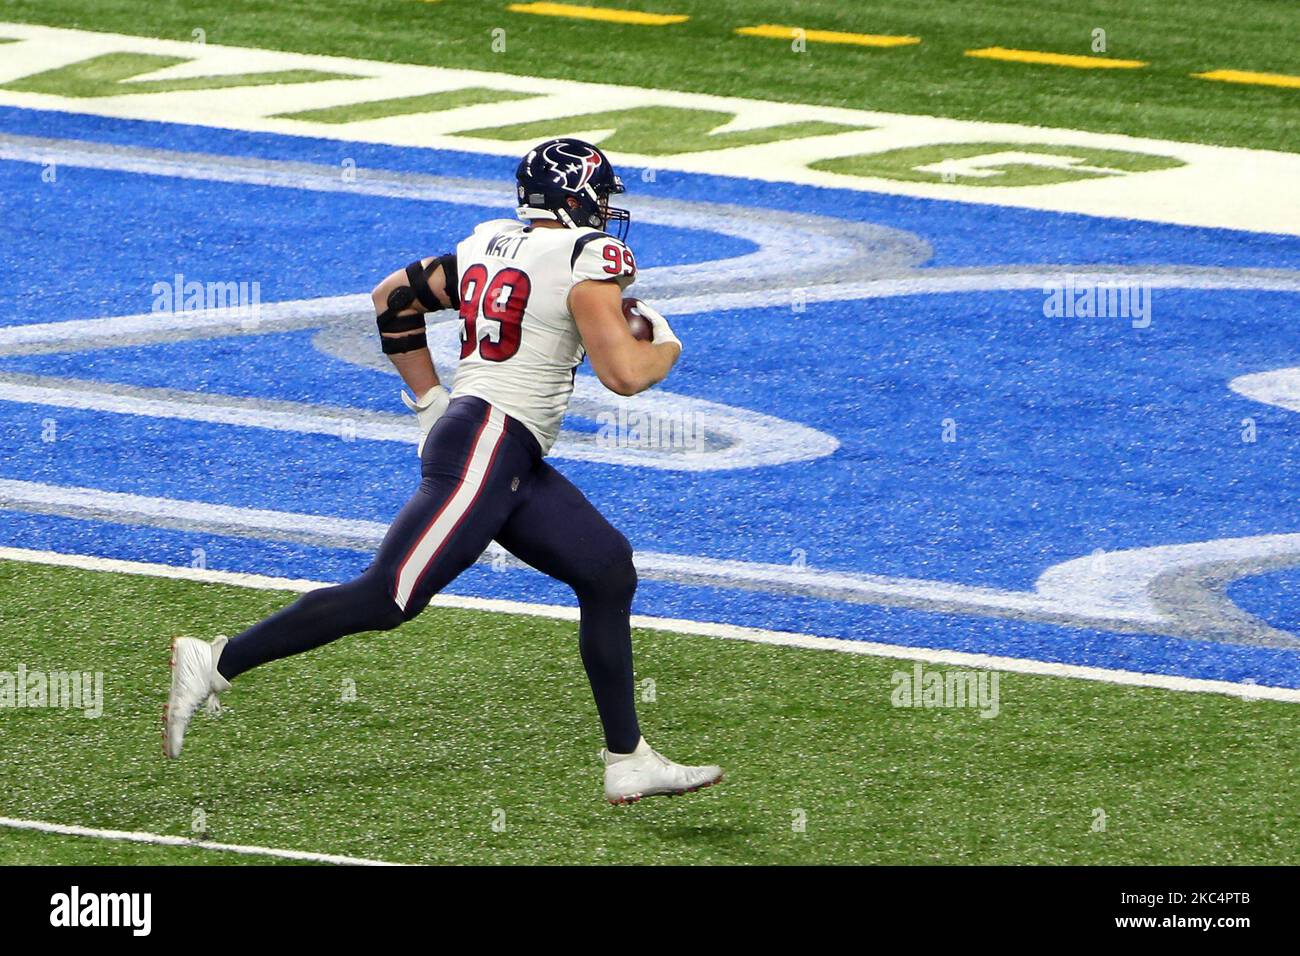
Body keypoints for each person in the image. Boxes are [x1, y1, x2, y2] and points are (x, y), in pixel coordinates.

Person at [164, 138, 723, 804]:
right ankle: (217, 660)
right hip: (491, 443)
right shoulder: (585, 258)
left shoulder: (490, 245)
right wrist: (666, 344)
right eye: (600, 196)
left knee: (606, 568)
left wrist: (430, 398)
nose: (607, 211)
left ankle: (627, 757)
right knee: (388, 596)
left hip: (495, 444)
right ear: (578, 198)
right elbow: (626, 375)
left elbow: (391, 298)